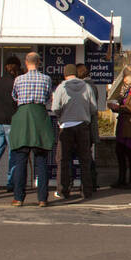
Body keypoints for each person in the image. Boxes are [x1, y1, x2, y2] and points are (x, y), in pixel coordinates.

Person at [10, 52, 56, 206]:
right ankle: (42, 198)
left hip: (23, 116)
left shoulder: (19, 79)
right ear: (39, 63)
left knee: (21, 160)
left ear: (26, 62)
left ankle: (18, 197)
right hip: (39, 116)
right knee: (41, 160)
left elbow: (15, 97)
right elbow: (49, 96)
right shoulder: (46, 79)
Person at [51, 63, 98, 201]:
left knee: (63, 159)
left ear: (65, 74)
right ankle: (87, 191)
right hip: (83, 126)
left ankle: (63, 190)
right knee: (85, 160)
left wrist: (62, 117)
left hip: (66, 126)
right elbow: (93, 108)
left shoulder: (61, 87)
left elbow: (55, 108)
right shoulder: (87, 87)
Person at [0, 56, 21, 190]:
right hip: (11, 121)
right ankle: (10, 183)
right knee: (13, 154)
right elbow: (15, 102)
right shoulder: (15, 83)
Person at [108, 70, 131, 189]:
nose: (124, 78)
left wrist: (120, 108)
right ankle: (121, 179)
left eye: (125, 76)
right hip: (122, 125)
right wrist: (114, 107)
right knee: (120, 153)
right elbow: (121, 102)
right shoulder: (125, 88)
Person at [75, 63, 100, 191]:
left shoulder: (87, 86)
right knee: (87, 155)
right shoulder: (92, 85)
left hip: (86, 125)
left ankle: (89, 183)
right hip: (90, 125)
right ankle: (91, 182)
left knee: (85, 156)